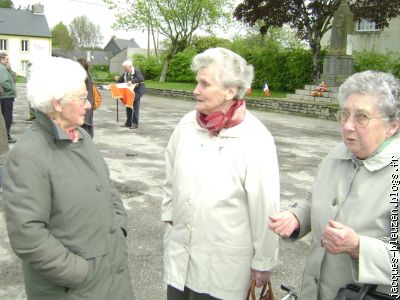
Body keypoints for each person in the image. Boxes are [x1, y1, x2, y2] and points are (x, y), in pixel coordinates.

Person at [3, 57, 134, 300]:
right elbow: (27, 234)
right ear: (58, 104)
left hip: (110, 275)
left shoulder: (81, 136)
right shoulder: (28, 155)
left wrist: (119, 229)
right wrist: (78, 272)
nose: (88, 105)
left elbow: (107, 189)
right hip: (74, 289)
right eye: (80, 98)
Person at [269, 70, 400, 299]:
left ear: (392, 126)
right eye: (344, 114)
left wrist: (359, 247)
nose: (348, 125)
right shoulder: (337, 154)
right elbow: (314, 200)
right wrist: (297, 217)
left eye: (362, 117)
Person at [162, 47, 280, 300]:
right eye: (197, 82)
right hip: (181, 255)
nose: (195, 90)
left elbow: (265, 205)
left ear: (230, 90)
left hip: (224, 265)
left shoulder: (255, 138)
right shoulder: (186, 125)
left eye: (204, 84)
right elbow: (170, 173)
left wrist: (263, 261)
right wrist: (170, 213)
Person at [115, 60, 145, 129]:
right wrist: (116, 83)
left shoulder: (136, 71)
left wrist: (132, 81)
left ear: (130, 66)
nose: (124, 69)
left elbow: (141, 79)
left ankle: (135, 124)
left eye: (125, 68)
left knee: (135, 107)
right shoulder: (126, 73)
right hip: (129, 92)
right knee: (128, 106)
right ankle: (128, 123)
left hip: (137, 92)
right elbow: (120, 80)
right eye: (124, 68)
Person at [0, 52, 17, 143]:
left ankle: (6, 136)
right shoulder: (1, 69)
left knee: (6, 117)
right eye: (6, 59)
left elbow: (13, 78)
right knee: (7, 117)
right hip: (6, 96)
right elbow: (3, 81)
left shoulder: (4, 68)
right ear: (1, 59)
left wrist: (9, 69)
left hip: (6, 96)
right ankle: (6, 136)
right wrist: (10, 89)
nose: (8, 61)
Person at [77, 58, 95, 137]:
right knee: (87, 124)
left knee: (84, 124)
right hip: (89, 101)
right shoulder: (88, 75)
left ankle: (86, 142)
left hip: (85, 102)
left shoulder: (82, 77)